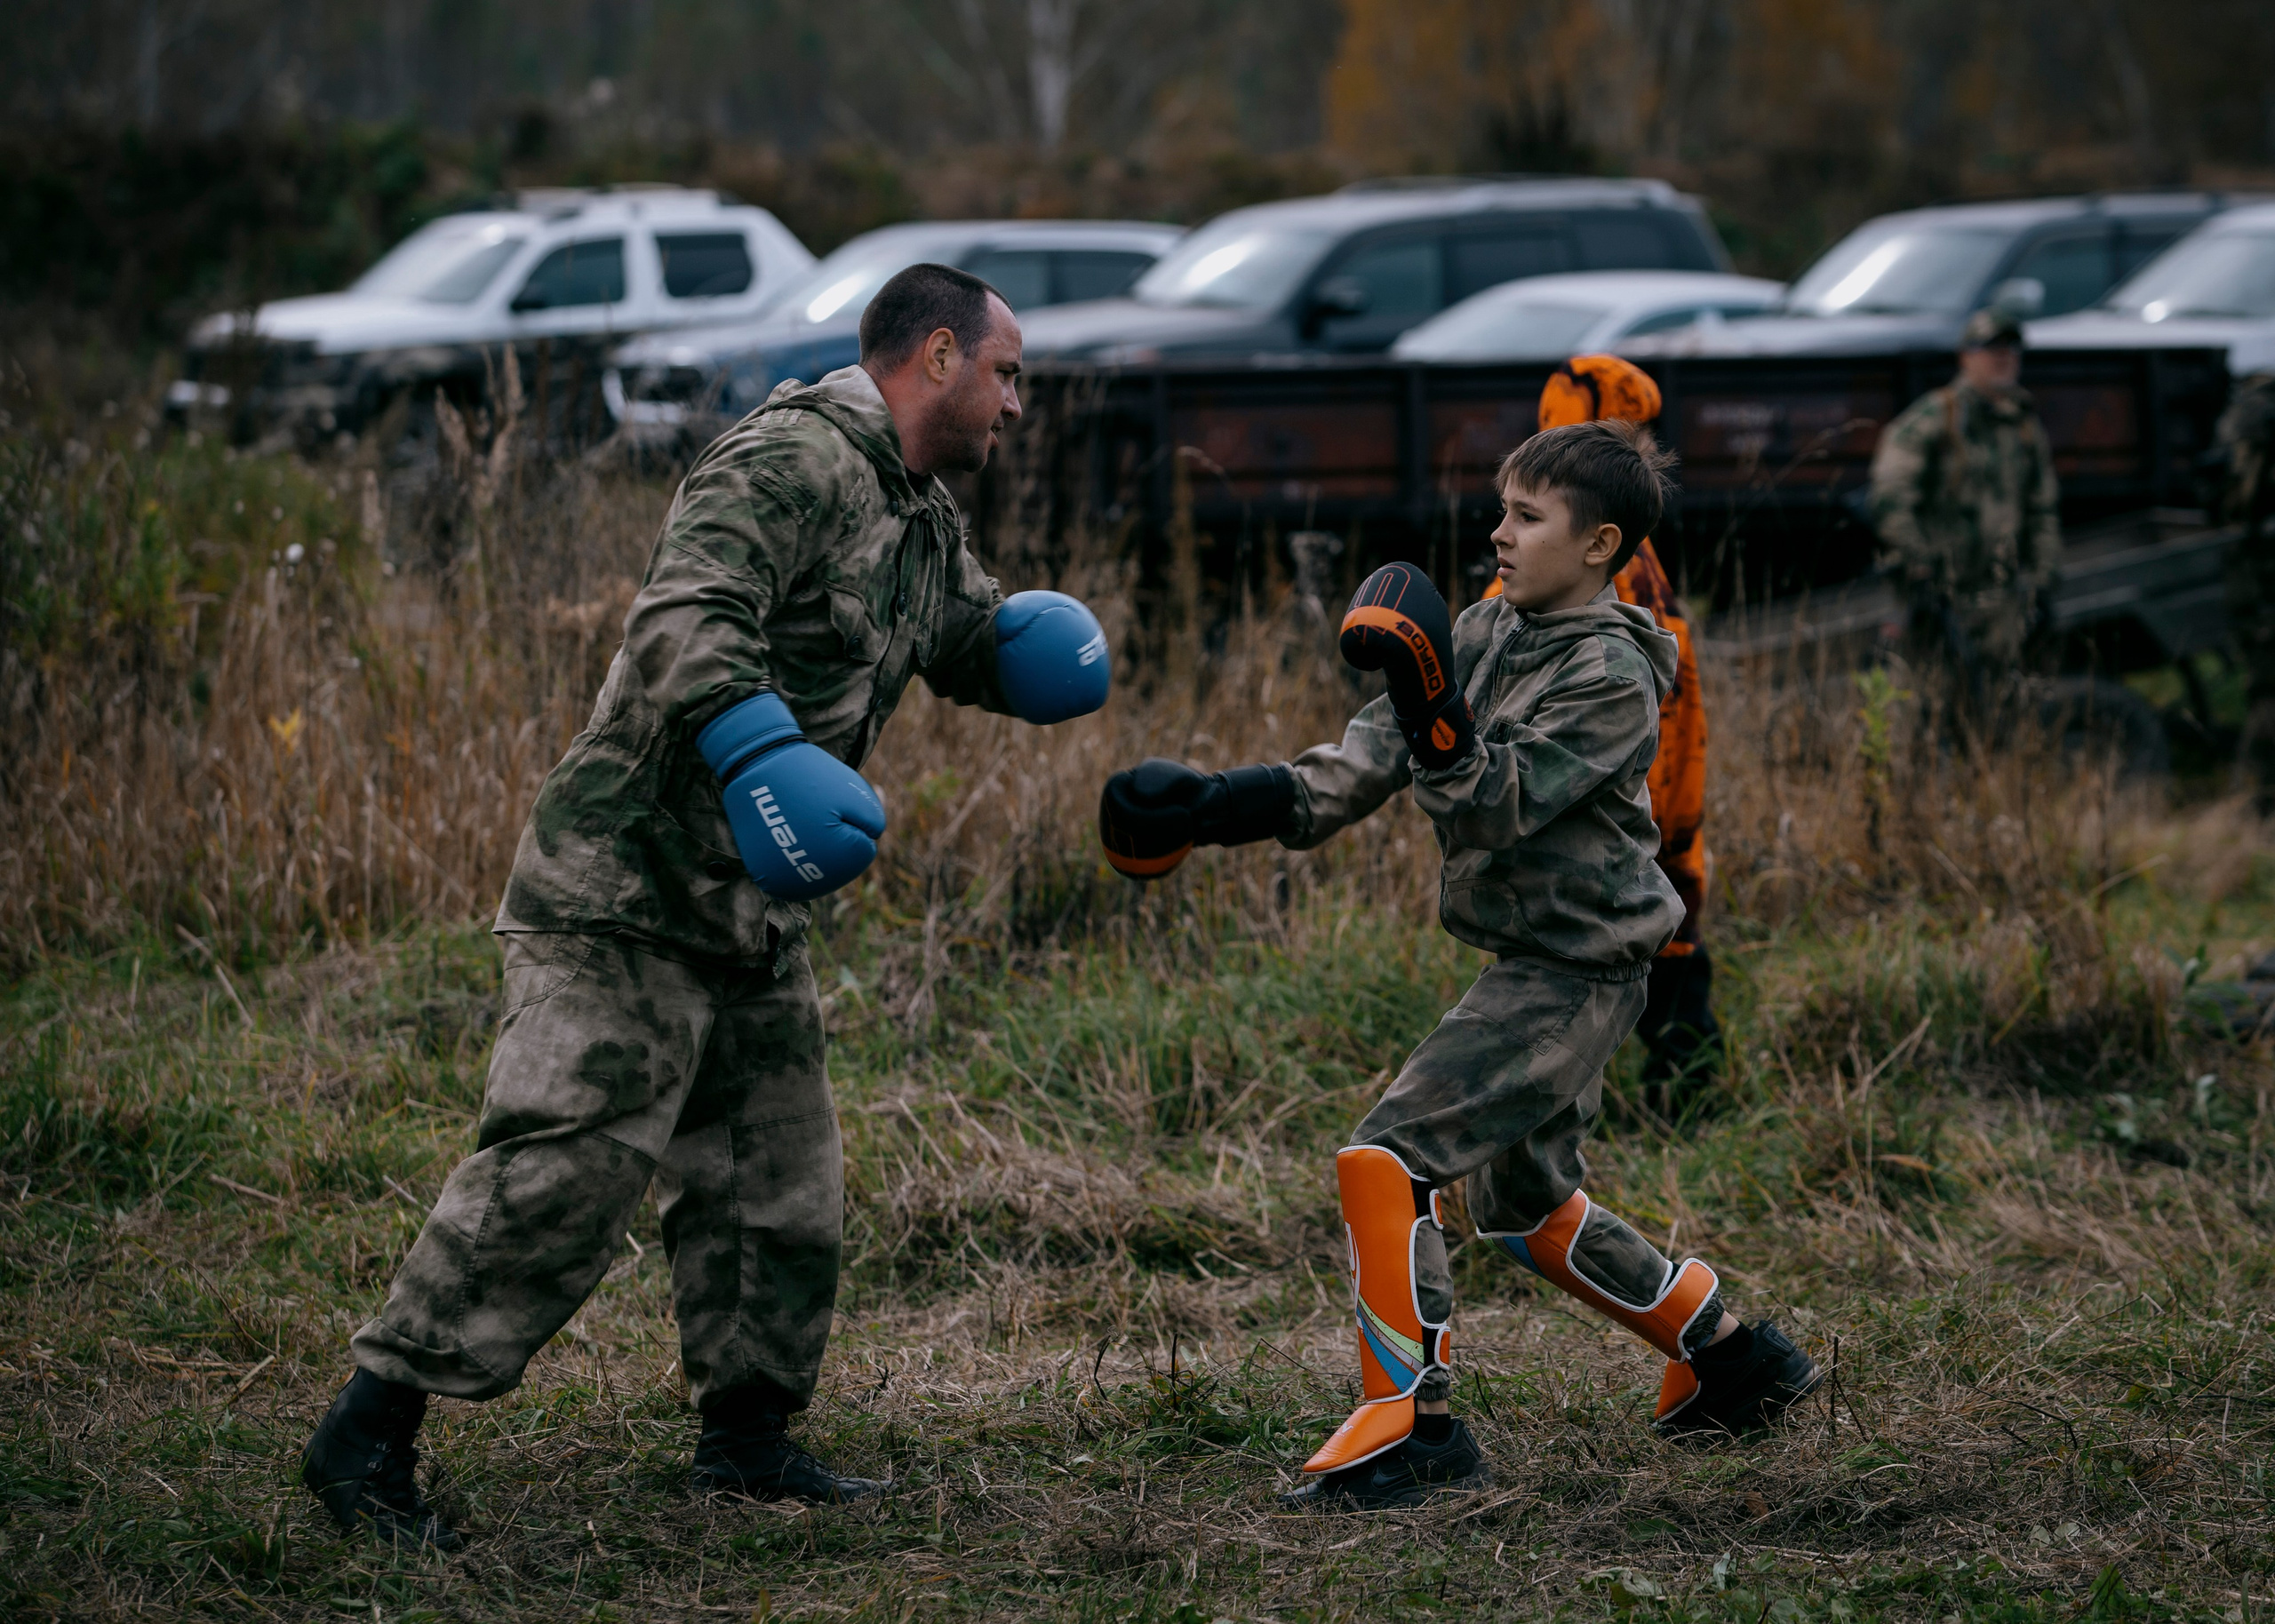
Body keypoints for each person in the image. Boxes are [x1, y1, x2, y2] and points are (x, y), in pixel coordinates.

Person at [299, 264, 1112, 1549]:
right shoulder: (790, 460)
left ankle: (748, 1447)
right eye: (1009, 375)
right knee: (565, 1165)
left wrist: (1022, 646)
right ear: (941, 353)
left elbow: (950, 632)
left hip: (747, 908)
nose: (1018, 407)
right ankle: (366, 1438)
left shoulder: (915, 509)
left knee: (774, 1185)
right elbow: (684, 616)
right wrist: (752, 751)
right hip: (624, 883)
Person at [1096, 420, 1818, 1512]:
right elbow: (1365, 759)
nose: (1499, 531)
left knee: (1389, 1156)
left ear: (1599, 543)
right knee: (1524, 1208)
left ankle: (1409, 1425)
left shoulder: (1616, 676)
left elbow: (1495, 801)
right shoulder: (1484, 628)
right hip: (1535, 954)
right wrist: (1217, 804)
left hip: (1582, 966)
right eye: (1500, 507)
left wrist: (1435, 712)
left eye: (1529, 516)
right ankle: (1730, 1355)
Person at [1484, 355, 1719, 1112]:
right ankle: (1684, 1082)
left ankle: (1648, 1091)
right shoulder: (1635, 555)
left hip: (1601, 798)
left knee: (1587, 963)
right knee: (1671, 917)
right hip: (1664, 783)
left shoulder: (1579, 567)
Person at [1868, 305, 2063, 708]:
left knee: (1997, 703)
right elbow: (1890, 492)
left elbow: (2043, 508)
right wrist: (1918, 564)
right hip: (1941, 594)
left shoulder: (2023, 425)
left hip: (2000, 595)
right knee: (1924, 700)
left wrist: (2043, 581)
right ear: (1966, 356)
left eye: (2011, 349)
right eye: (1991, 348)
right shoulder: (1937, 416)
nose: (2003, 358)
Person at [2218, 361, 2275, 800]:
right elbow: (2244, 501)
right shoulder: (2259, 414)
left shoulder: (2249, 410)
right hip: (2260, 579)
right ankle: (2251, 801)